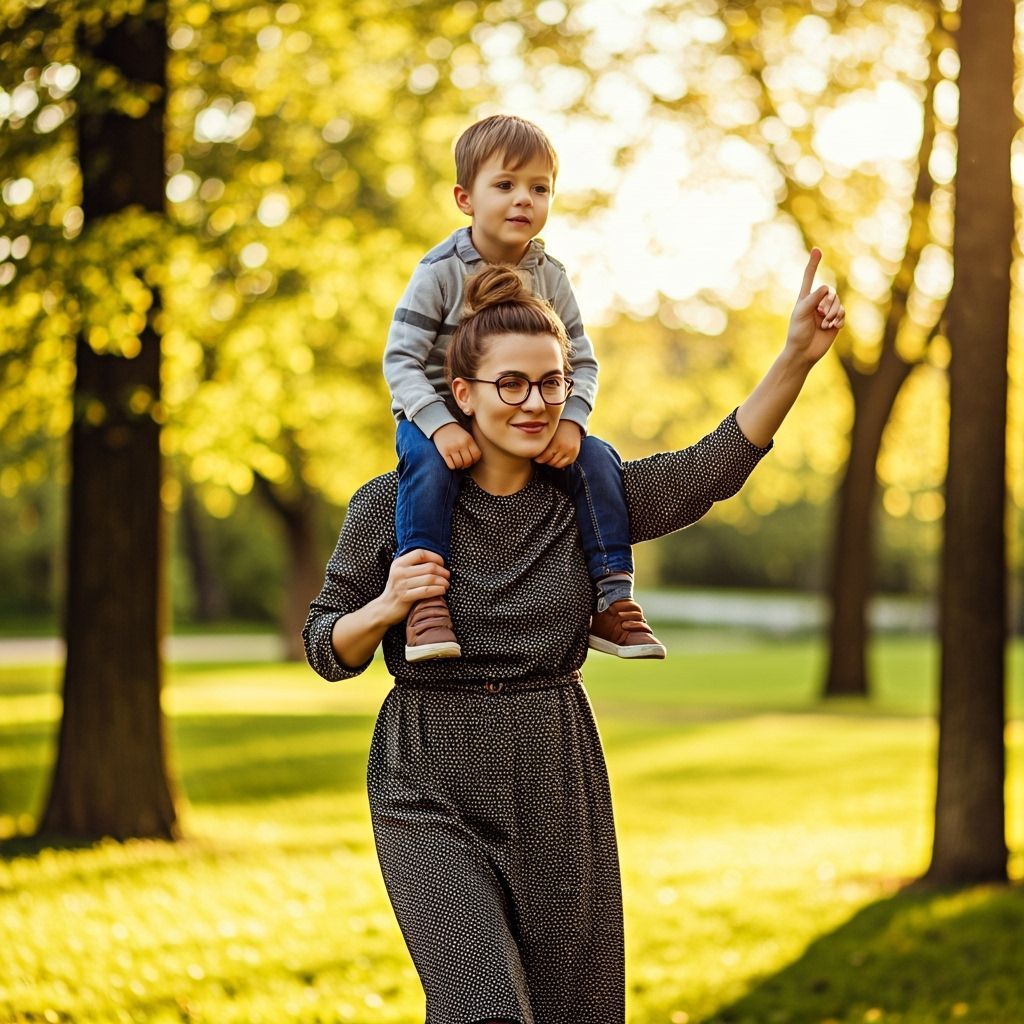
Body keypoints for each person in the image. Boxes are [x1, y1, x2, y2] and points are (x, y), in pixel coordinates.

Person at [304, 254, 844, 1023]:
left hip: (557, 774)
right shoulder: (388, 505)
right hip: (426, 776)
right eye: (512, 384)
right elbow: (326, 645)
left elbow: (710, 469)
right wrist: (387, 605)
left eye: (552, 382)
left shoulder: (592, 503)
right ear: (461, 393)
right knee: (480, 1005)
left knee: (572, 1011)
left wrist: (794, 357)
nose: (535, 403)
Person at [383, 113, 666, 663]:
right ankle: (425, 603)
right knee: (428, 471)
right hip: (434, 415)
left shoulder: (551, 276)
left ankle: (611, 599)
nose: (524, 200)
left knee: (600, 459)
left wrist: (573, 420)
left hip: (526, 415)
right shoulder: (439, 272)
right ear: (465, 198)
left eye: (540, 188)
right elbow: (400, 360)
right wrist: (439, 426)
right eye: (505, 185)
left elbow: (582, 360)